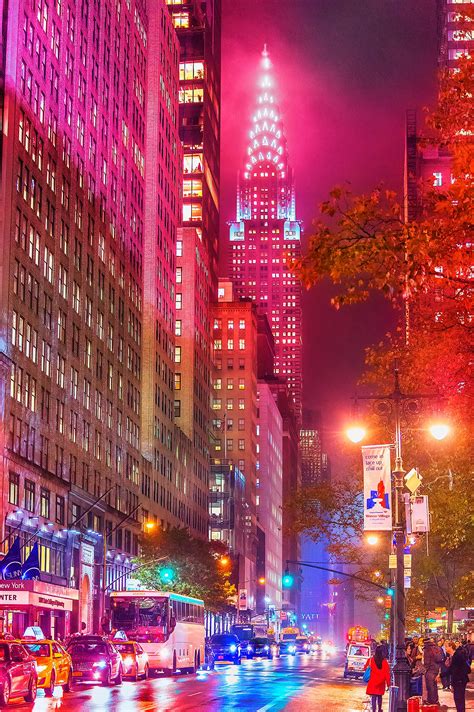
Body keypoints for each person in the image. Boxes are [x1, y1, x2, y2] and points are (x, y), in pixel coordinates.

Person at [364, 645, 391, 712]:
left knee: (373, 696)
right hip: (381, 682)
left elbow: (365, 668)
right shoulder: (384, 661)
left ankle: (373, 710)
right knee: (379, 696)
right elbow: (387, 673)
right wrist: (388, 684)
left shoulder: (371, 660)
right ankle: (379, 709)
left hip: (373, 681)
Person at [445, 639, 471, 712]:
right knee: (458, 699)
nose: (445, 648)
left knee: (459, 698)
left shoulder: (457, 655)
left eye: (446, 647)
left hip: (460, 680)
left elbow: (453, 670)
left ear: (450, 647)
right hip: (458, 680)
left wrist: (441, 675)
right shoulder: (454, 655)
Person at [422, 637, 443, 704]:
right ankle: (436, 700)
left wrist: (425, 669)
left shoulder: (427, 649)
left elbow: (426, 662)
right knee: (434, 686)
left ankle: (432, 701)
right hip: (436, 669)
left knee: (430, 687)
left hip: (430, 670)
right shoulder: (437, 648)